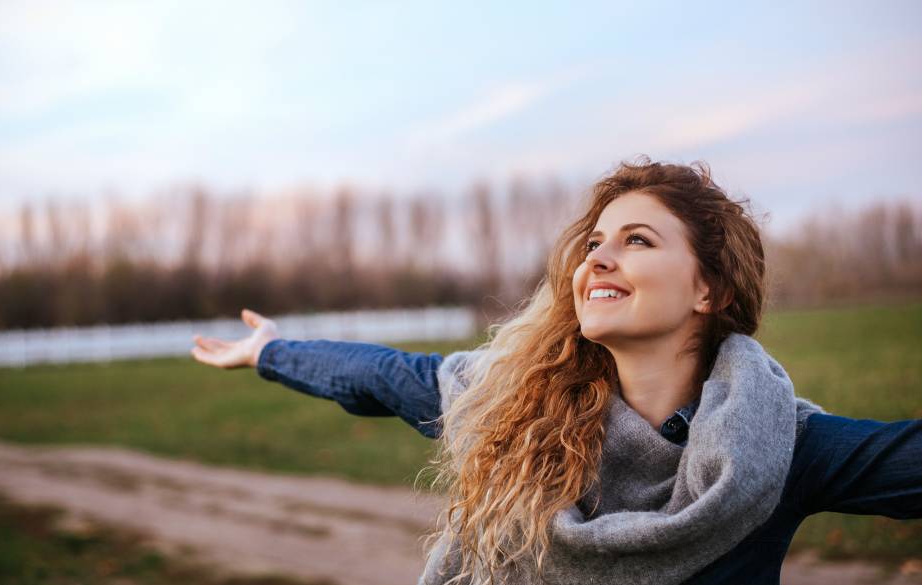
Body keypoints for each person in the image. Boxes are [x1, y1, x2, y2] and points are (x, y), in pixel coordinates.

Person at [190, 158, 922, 585]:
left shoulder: (774, 446)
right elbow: (387, 373)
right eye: (594, 242)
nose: (596, 258)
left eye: (636, 240)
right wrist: (271, 351)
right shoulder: (514, 405)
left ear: (711, 289)